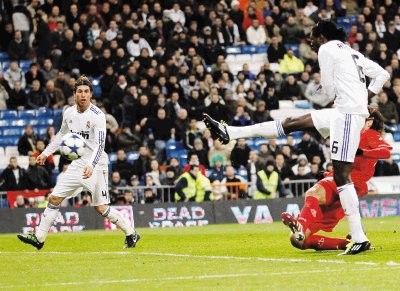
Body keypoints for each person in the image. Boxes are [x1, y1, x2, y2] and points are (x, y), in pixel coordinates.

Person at [204, 20, 390, 254]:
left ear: (322, 36)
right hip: (343, 112)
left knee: (342, 177)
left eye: (312, 37)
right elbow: (382, 74)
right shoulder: (352, 52)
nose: (310, 43)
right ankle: (231, 132)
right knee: (292, 123)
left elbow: (329, 90)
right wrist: (362, 96)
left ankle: (360, 238)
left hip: (346, 115)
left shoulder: (327, 48)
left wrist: (341, 95)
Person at [17, 76, 140, 250]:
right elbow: (61, 135)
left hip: (96, 165)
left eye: (86, 92)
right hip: (77, 164)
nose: (83, 95)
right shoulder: (68, 112)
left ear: (91, 94)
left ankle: (131, 233)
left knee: (100, 207)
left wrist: (91, 165)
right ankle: (39, 238)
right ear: (74, 94)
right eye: (79, 92)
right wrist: (45, 152)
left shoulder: (98, 116)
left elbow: (100, 145)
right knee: (54, 198)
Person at [281, 111, 391, 251]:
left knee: (313, 192)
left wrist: (363, 152)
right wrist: (326, 173)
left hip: (350, 183)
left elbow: (385, 151)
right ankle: (346, 243)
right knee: (296, 240)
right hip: (338, 180)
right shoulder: (348, 134)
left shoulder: (370, 134)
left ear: (369, 122)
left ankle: (300, 223)